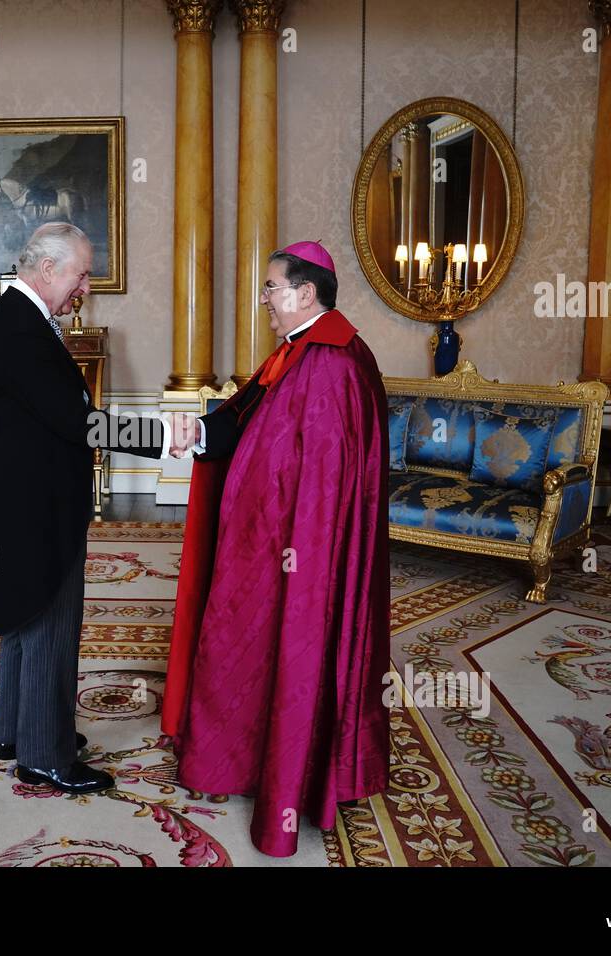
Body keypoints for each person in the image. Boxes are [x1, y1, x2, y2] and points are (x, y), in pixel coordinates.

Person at [162, 240, 391, 856]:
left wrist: (294, 555)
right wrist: (198, 435)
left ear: (306, 293)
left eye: (270, 287)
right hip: (263, 543)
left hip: (295, 555)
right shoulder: (298, 352)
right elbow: (248, 419)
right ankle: (239, 759)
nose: (263, 298)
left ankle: (288, 779)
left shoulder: (336, 363)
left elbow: (322, 482)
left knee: (285, 652)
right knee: (239, 648)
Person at [0, 221, 182, 794]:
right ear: (46, 270)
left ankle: (17, 730)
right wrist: (164, 435)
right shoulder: (21, 332)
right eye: (82, 273)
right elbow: (79, 422)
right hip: (38, 505)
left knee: (21, 616)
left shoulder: (14, 320)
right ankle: (44, 755)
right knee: (47, 621)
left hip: (20, 498)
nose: (86, 286)